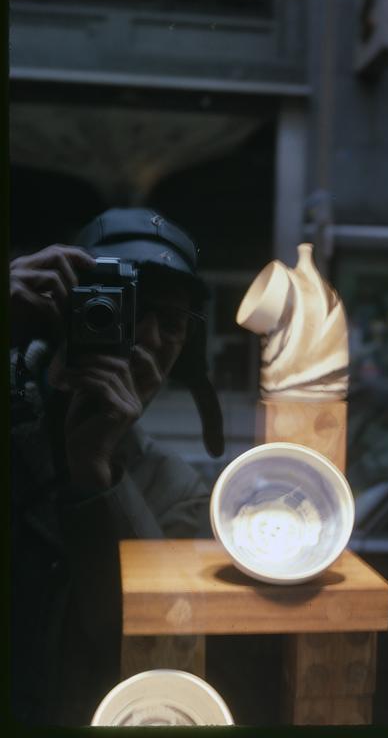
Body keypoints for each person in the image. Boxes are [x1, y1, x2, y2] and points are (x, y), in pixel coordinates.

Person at [10, 208, 224, 727]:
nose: (146, 338)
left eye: (170, 324)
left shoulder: (177, 489)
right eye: (122, 307)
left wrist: (99, 475)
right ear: (64, 308)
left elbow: (161, 643)